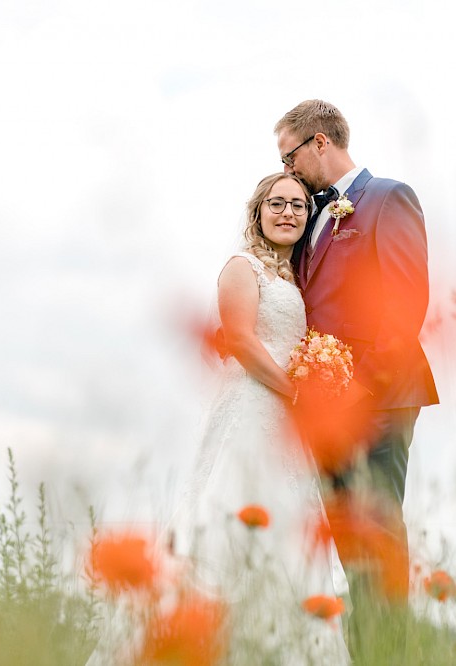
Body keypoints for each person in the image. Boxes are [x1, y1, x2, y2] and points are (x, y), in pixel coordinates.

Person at [274, 99, 439, 656]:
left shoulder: (389, 198)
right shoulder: (310, 218)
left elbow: (405, 307)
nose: (288, 169)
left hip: (380, 400)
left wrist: (355, 391)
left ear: (320, 141)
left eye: (290, 155)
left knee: (378, 544)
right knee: (345, 551)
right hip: (328, 416)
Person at [166, 172, 350, 663]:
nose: (288, 212)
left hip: (288, 424)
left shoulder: (296, 277)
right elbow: (242, 342)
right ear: (259, 211)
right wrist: (296, 391)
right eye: (277, 204)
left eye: (297, 205)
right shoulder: (242, 268)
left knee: (289, 529)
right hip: (252, 407)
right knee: (236, 512)